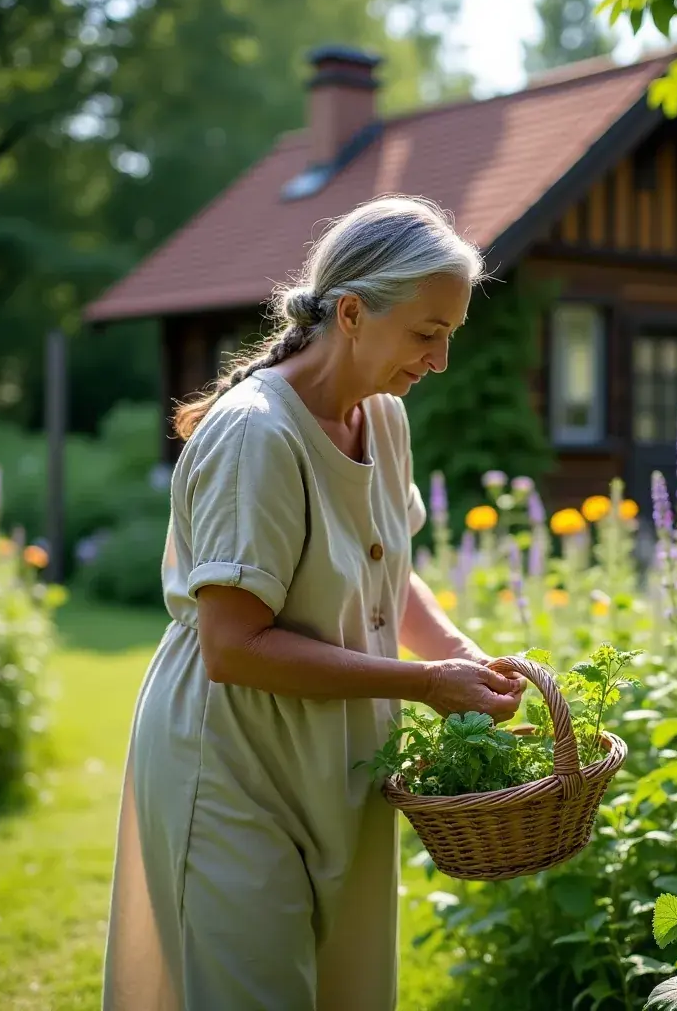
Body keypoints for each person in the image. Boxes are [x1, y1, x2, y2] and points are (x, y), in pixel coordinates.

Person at [102, 195, 526, 1011]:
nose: (439, 361)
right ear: (356, 313)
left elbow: (385, 571)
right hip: (231, 762)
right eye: (427, 334)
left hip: (341, 764)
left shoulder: (385, 420)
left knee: (345, 993)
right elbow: (233, 647)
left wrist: (458, 654)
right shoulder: (256, 435)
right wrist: (426, 685)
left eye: (450, 336)